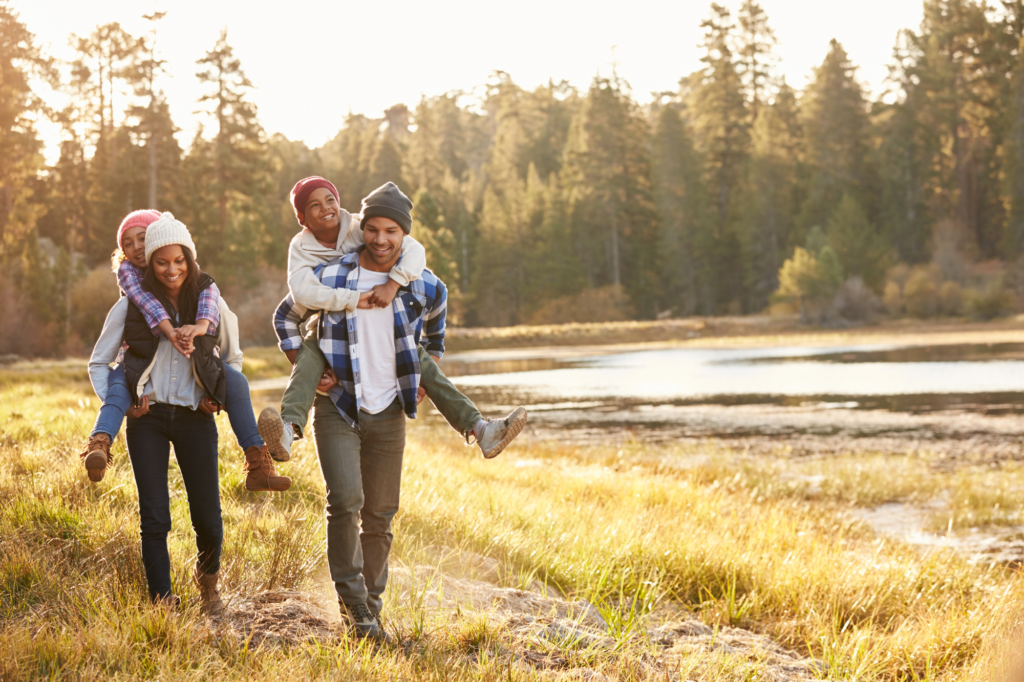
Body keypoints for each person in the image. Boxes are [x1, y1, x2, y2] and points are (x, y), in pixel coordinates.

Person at [273, 183, 460, 640]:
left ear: (404, 236)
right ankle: (354, 608)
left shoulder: (418, 279)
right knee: (346, 502)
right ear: (363, 231)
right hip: (338, 404)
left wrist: (427, 364)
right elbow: (286, 315)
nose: (380, 239)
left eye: (391, 231)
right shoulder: (334, 275)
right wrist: (305, 362)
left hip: (390, 408)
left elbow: (438, 309)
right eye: (372, 229)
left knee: (380, 515)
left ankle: (371, 610)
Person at [259, 177, 526, 465]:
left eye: (330, 200)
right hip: (328, 330)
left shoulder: (362, 227)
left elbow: (413, 250)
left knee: (419, 359)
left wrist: (394, 283)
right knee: (310, 355)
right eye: (314, 205)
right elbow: (297, 296)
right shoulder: (303, 251)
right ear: (301, 218)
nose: (326, 208)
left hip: (387, 329)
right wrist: (310, 368)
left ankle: (481, 429)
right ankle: (288, 429)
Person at [87, 214, 262, 610]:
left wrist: (215, 397)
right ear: (148, 257)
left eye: (178, 260)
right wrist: (126, 401)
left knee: (208, 517)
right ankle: (161, 600)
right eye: (160, 259)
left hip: (194, 418)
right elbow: (100, 363)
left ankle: (209, 587)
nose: (170, 268)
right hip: (146, 420)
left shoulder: (209, 302)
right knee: (154, 516)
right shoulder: (130, 306)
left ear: (187, 257)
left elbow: (232, 360)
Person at [83, 210, 289, 493]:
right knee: (119, 385)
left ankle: (257, 460)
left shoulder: (204, 289)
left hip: (195, 394)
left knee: (237, 382)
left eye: (142, 239)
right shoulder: (131, 290)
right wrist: (170, 332)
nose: (136, 248)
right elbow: (142, 308)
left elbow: (229, 348)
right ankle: (99, 442)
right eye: (127, 243)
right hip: (139, 374)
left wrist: (215, 393)